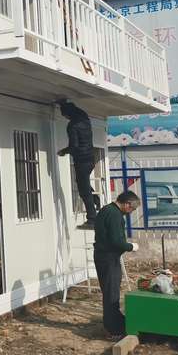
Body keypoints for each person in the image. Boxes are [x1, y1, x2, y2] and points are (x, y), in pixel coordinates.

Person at [93, 190, 140, 339]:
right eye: (132, 209)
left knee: (110, 292)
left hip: (103, 256)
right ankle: (113, 329)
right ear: (127, 204)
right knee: (111, 294)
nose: (131, 212)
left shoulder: (106, 210)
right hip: (108, 257)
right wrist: (131, 247)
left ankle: (115, 323)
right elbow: (116, 241)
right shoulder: (114, 215)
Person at [57, 100, 99, 229]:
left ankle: (92, 219)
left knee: (83, 190)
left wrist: (63, 152)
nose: (65, 117)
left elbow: (74, 146)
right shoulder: (85, 120)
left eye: (65, 115)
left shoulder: (72, 126)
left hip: (81, 160)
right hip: (90, 158)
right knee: (83, 183)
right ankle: (96, 201)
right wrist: (62, 103)